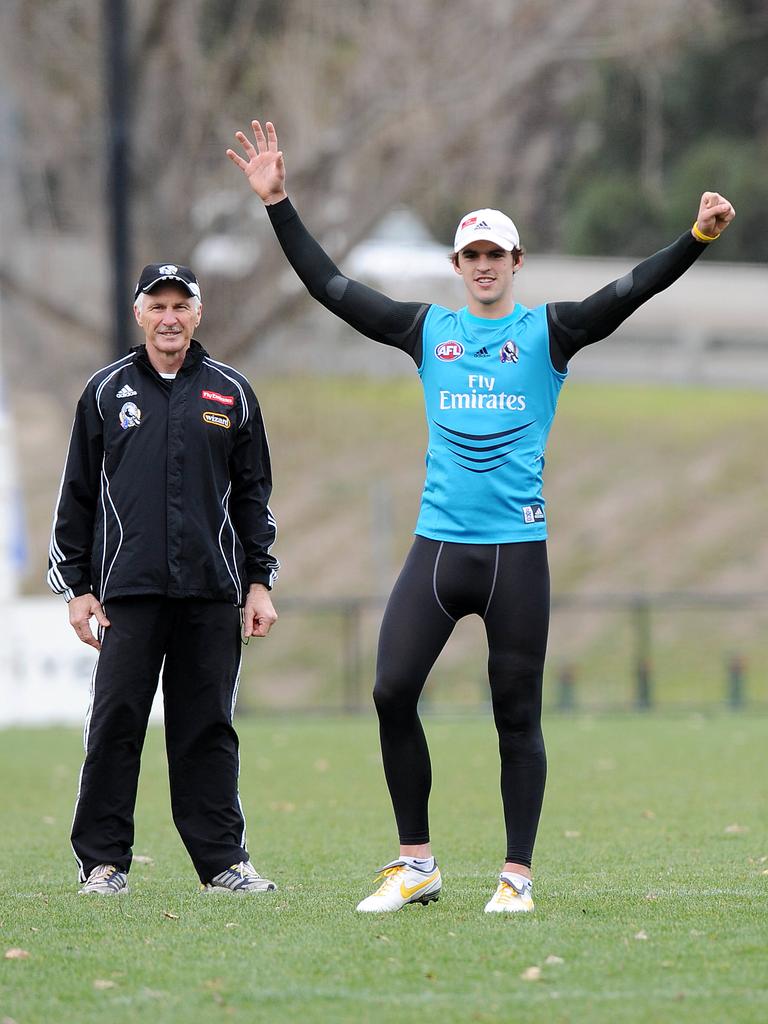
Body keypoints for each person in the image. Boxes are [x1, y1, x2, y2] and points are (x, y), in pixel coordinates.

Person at [228, 120, 735, 914]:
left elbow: (630, 290)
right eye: (472, 255)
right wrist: (280, 204)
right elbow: (332, 289)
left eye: (497, 254)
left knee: (515, 715)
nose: (485, 266)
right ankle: (416, 863)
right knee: (392, 690)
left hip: (515, 556)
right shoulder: (430, 330)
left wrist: (697, 237)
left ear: (516, 263)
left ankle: (516, 876)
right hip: (437, 551)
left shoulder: (549, 331)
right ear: (457, 266)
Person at [48, 261, 280, 895]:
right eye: (159, 305)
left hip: (211, 592)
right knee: (116, 723)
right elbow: (76, 497)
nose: (170, 317)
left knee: (207, 729)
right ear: (140, 313)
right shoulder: (104, 392)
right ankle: (102, 864)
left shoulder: (231, 393)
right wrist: (77, 588)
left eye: (182, 305)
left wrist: (259, 583)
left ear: (198, 314)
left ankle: (223, 865)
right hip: (129, 594)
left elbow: (254, 498)